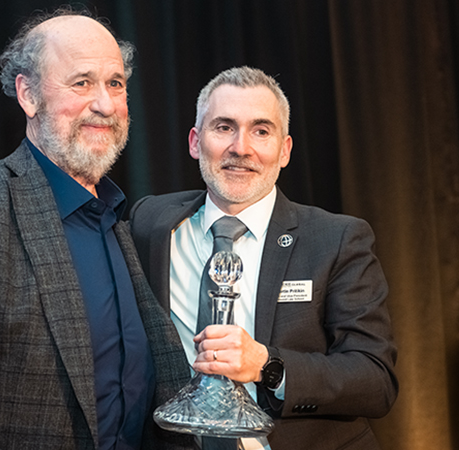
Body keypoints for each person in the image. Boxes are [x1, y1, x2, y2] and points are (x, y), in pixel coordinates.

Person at [0, 9, 192, 450]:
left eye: (115, 83)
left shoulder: (119, 218)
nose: (104, 104)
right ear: (27, 95)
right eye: (81, 82)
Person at [129, 66, 399, 449]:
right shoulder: (150, 224)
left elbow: (375, 380)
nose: (241, 148)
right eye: (223, 127)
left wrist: (266, 365)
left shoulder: (335, 239)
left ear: (284, 150)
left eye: (261, 130)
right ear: (194, 141)